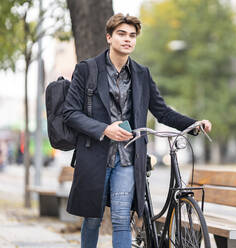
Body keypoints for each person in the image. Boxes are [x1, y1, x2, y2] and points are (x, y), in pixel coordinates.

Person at [63, 13, 212, 248]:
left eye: (132, 35)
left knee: (122, 219)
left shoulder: (142, 74)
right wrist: (105, 129)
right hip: (94, 157)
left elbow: (162, 112)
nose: (127, 39)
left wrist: (194, 125)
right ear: (109, 37)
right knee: (92, 219)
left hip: (129, 159)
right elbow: (70, 113)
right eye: (121, 34)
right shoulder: (87, 70)